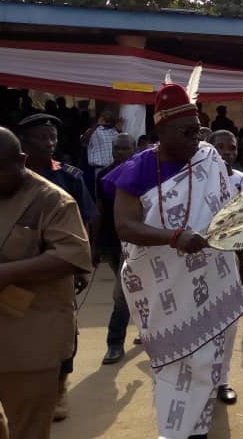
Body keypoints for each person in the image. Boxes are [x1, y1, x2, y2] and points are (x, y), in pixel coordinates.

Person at [103, 83, 243, 437]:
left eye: (197, 130)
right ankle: (173, 431)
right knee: (174, 363)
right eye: (186, 132)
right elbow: (124, 226)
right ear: (161, 130)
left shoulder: (209, 157)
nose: (195, 140)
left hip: (214, 280)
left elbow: (228, 213)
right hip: (163, 289)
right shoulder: (137, 170)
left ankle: (196, 429)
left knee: (208, 361)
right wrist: (173, 238)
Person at [0, 125, 92, 439]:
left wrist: (4, 273)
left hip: (29, 340)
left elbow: (74, 255)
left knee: (28, 429)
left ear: (21, 160)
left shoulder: (52, 201)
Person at [15, 113, 99, 421]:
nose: (50, 143)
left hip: (60, 266)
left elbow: (87, 220)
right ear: (24, 142)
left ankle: (60, 388)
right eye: (42, 137)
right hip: (17, 267)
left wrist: (84, 262)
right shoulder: (9, 176)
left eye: (53, 137)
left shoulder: (70, 176)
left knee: (64, 330)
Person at [98, 134, 138, 365]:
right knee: (130, 288)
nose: (119, 152)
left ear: (134, 149)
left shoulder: (141, 174)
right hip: (111, 242)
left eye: (124, 148)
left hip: (135, 243)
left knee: (121, 293)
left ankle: (114, 344)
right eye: (116, 148)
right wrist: (94, 246)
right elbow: (100, 211)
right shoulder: (103, 175)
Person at [207, 130, 243, 194]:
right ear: (208, 149)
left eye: (232, 148)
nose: (227, 152)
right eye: (220, 147)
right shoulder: (199, 181)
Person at [83, 110, 120, 180]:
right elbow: (83, 141)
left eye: (109, 118)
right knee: (100, 190)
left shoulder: (115, 131)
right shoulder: (94, 131)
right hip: (100, 169)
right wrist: (97, 125)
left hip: (114, 168)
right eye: (105, 118)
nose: (107, 120)